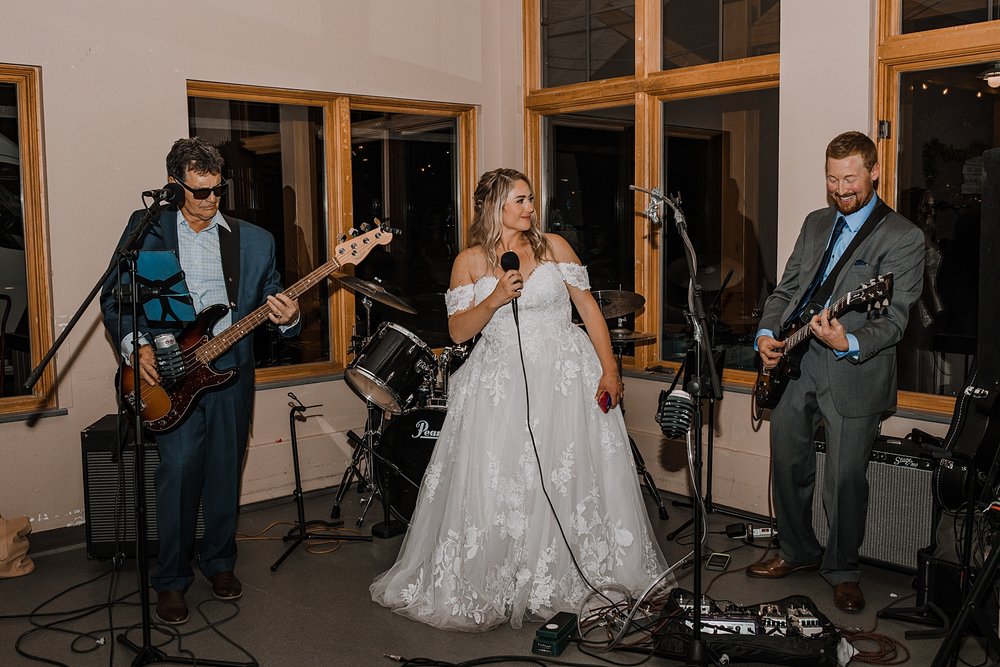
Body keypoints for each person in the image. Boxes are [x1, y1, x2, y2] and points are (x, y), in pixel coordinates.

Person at [370, 168, 669, 631]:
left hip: (567, 376)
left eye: (531, 199)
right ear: (495, 208)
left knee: (567, 473)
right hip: (500, 381)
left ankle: (569, 571)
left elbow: (588, 307)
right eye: (521, 200)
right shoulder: (468, 262)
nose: (531, 208)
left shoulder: (554, 246)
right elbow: (457, 332)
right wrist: (492, 300)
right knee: (505, 478)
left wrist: (610, 369)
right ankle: (505, 576)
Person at [100, 138, 300, 625]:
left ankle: (219, 562)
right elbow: (114, 297)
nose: (211, 201)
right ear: (174, 187)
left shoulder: (255, 240)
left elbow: (275, 299)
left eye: (218, 191)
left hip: (231, 370)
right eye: (199, 192)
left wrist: (288, 317)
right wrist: (136, 345)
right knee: (179, 473)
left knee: (224, 471)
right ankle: (170, 580)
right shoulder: (145, 230)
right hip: (171, 373)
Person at [748, 131, 924, 613]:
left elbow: (896, 319)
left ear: (874, 173)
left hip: (853, 369)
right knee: (787, 463)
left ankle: (843, 570)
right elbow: (785, 290)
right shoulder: (815, 222)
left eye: (850, 178)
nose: (841, 188)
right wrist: (766, 334)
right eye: (832, 178)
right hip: (795, 361)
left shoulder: (904, 237)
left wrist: (846, 339)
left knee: (845, 479)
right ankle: (797, 551)